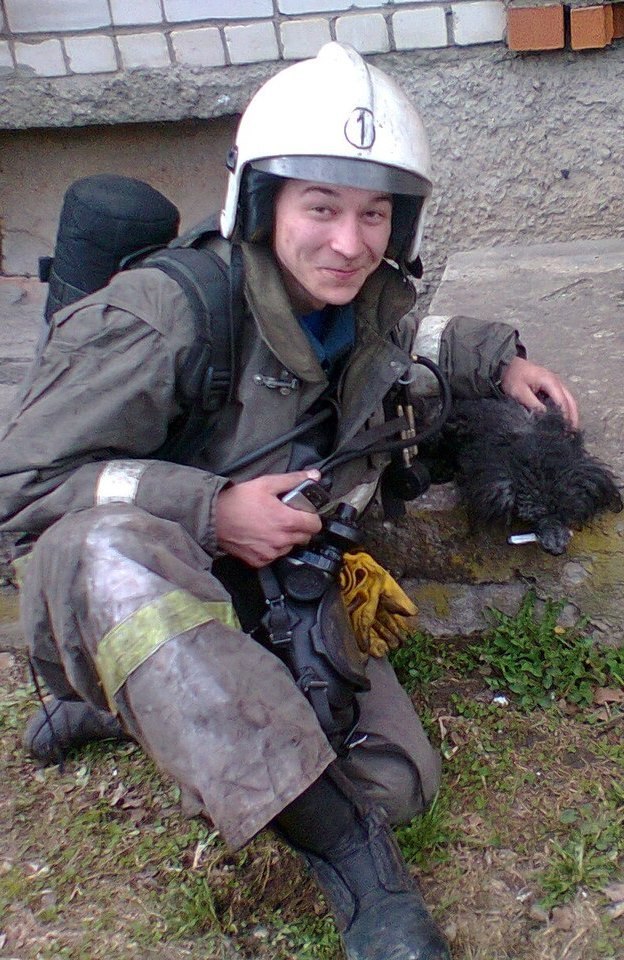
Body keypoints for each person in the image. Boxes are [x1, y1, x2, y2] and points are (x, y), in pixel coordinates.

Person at [0, 42, 577, 960]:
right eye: (321, 208)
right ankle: (362, 876)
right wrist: (208, 509)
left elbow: (399, 343)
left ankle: (130, 705)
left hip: (275, 582)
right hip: (136, 564)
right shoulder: (160, 316)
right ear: (262, 204)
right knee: (107, 556)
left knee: (395, 781)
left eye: (374, 213)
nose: (349, 243)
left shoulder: (364, 296)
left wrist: (494, 357)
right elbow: (17, 489)